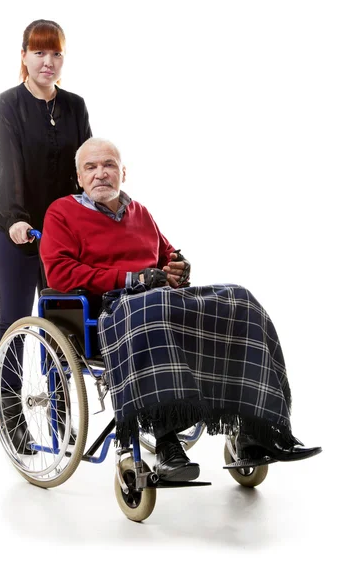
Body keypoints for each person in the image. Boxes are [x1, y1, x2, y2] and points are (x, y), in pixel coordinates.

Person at [40, 137, 322, 482]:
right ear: (79, 177)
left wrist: (179, 267)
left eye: (109, 165)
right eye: (91, 167)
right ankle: (166, 440)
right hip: (109, 311)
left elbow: (167, 256)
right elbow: (61, 273)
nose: (101, 174)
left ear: (123, 172)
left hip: (160, 301)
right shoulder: (62, 213)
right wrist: (130, 278)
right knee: (152, 306)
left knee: (239, 299)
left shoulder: (139, 212)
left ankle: (254, 430)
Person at [0, 19, 92, 454]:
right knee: (14, 322)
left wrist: (100, 192)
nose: (48, 62)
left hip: (62, 236)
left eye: (55, 54)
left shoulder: (74, 106)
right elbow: (8, 165)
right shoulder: (9, 104)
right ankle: (12, 416)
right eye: (39, 53)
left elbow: (84, 163)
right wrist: (15, 216)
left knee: (60, 327)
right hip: (18, 234)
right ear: (24, 57)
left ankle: (60, 416)